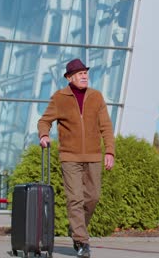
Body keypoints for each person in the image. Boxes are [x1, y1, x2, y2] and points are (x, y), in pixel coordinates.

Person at [38, 58, 115, 258]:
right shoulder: (59, 98)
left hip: (93, 156)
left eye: (86, 73)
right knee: (75, 199)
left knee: (93, 197)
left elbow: (106, 126)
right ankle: (81, 241)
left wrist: (109, 151)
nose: (84, 76)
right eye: (80, 73)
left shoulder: (96, 97)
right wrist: (44, 134)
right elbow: (44, 120)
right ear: (70, 77)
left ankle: (78, 230)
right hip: (70, 156)